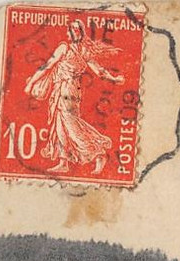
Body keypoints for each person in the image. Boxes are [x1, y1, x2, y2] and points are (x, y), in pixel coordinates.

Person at [24, 18, 124, 175]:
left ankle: (98, 154)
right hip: (64, 91)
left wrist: (114, 78)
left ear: (78, 33)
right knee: (60, 127)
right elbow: (48, 66)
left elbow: (98, 71)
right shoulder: (75, 50)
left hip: (67, 91)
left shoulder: (73, 50)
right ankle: (64, 162)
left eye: (74, 30)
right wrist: (114, 78)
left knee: (72, 127)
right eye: (71, 30)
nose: (71, 33)